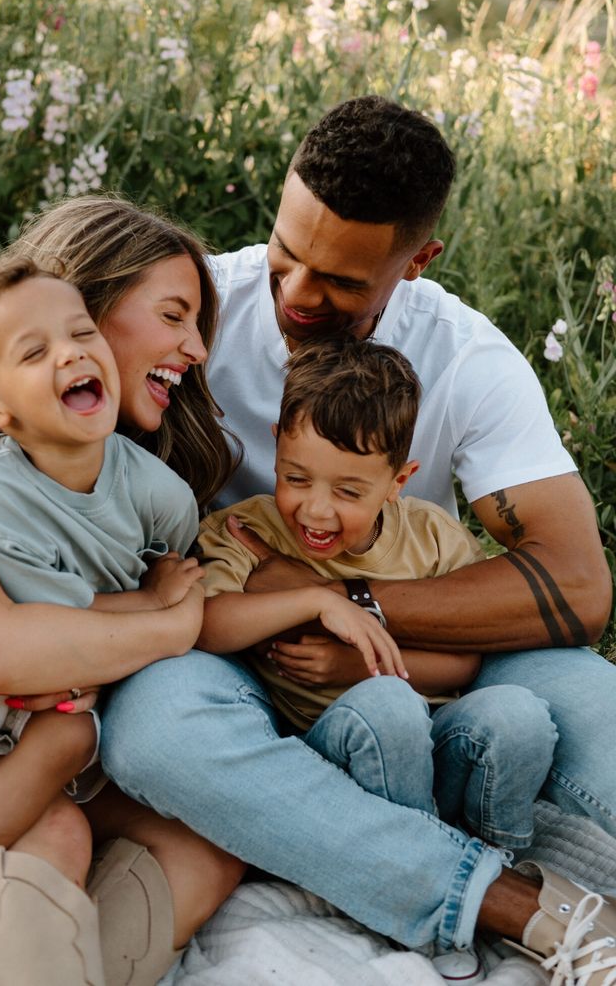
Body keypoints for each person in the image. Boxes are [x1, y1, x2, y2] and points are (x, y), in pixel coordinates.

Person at [99, 96, 616, 984]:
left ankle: (370, 838)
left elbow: (576, 588)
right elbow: (19, 356)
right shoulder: (193, 311)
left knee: (589, 694)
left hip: (407, 650)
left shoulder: (466, 362)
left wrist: (357, 614)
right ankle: (506, 902)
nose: (297, 295)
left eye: (340, 281)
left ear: (417, 262)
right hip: (232, 646)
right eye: (287, 254)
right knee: (153, 729)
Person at [0, 201, 245, 986]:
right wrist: (167, 622)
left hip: (35, 741)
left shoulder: (108, 464)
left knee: (206, 845)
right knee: (52, 831)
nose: (197, 347)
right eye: (174, 316)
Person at [197, 333, 559, 857]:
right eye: (296, 478)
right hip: (335, 752)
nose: (316, 511)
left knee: (519, 714)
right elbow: (208, 626)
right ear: (276, 444)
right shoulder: (247, 532)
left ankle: (500, 855)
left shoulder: (432, 538)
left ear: (398, 480)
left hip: (437, 738)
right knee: (389, 708)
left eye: (348, 492)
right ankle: (421, 861)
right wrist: (318, 601)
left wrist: (353, 665)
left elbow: (464, 664)